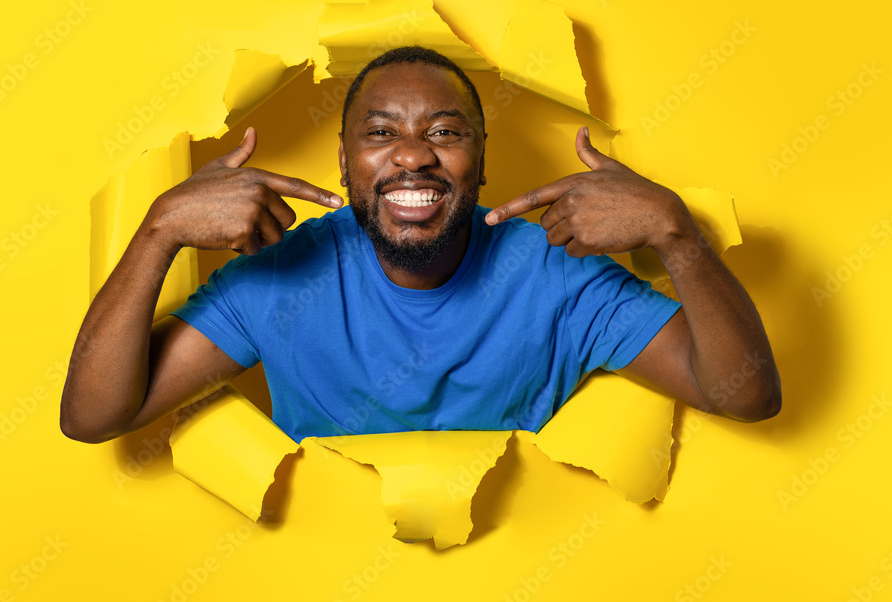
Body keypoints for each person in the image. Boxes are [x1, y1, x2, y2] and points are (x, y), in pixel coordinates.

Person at [60, 46, 781, 445]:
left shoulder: (556, 274)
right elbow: (93, 417)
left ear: (481, 159)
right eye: (380, 134)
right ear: (344, 164)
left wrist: (676, 235)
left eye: (444, 131)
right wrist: (156, 232)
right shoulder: (281, 279)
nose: (412, 157)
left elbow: (744, 395)